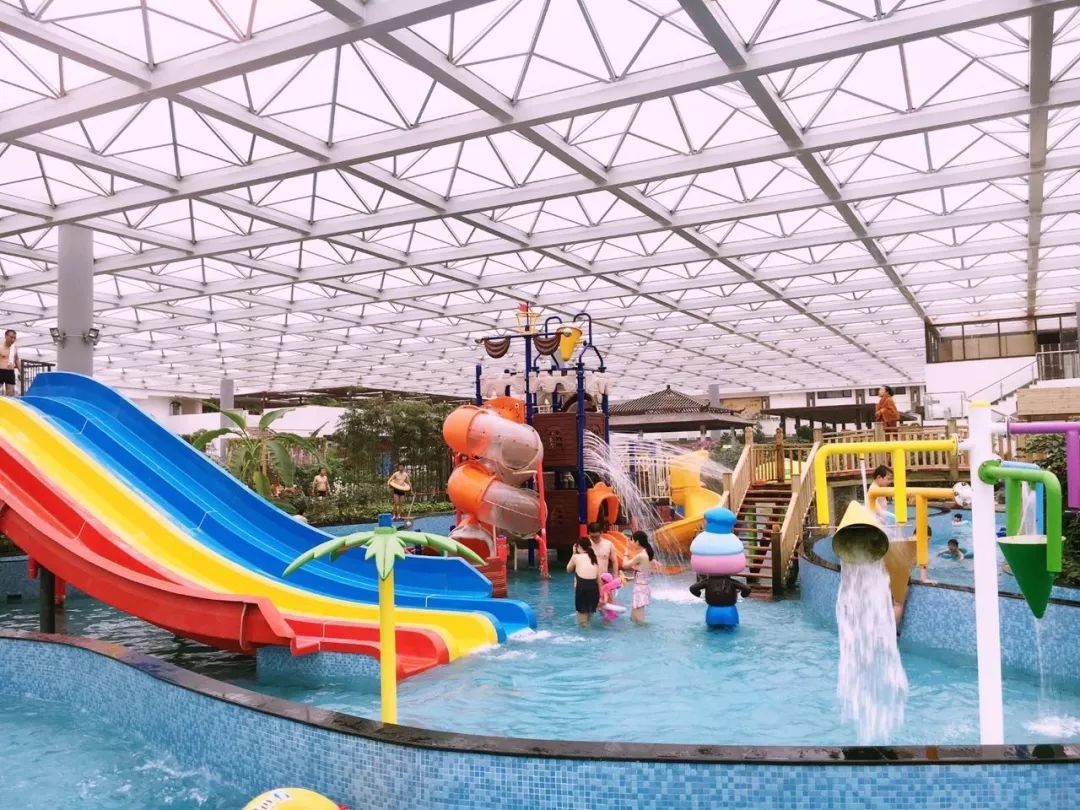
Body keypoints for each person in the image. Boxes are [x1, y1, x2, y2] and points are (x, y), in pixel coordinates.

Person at [621, 530, 656, 624]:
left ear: (637, 542)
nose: (631, 543)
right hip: (642, 587)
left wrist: (626, 551)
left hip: (640, 589)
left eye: (632, 540)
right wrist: (630, 579)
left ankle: (645, 633)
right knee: (633, 618)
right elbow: (644, 575)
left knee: (639, 620)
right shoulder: (647, 554)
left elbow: (624, 565)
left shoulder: (641, 556)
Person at [566, 538, 600, 627]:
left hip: (583, 588)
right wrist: (600, 595)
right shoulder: (593, 558)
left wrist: (574, 553)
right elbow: (598, 580)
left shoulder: (576, 557)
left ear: (579, 547)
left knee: (582, 623)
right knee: (588, 619)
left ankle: (587, 634)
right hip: (594, 589)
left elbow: (568, 569)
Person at [0, 329, 19, 397]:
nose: (13, 339)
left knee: (10, 395)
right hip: (1, 371)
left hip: (10, 372)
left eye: (14, 338)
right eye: (11, 337)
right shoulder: (0, 347)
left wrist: (21, 371)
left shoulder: (14, 348)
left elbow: (16, 360)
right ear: (6, 336)